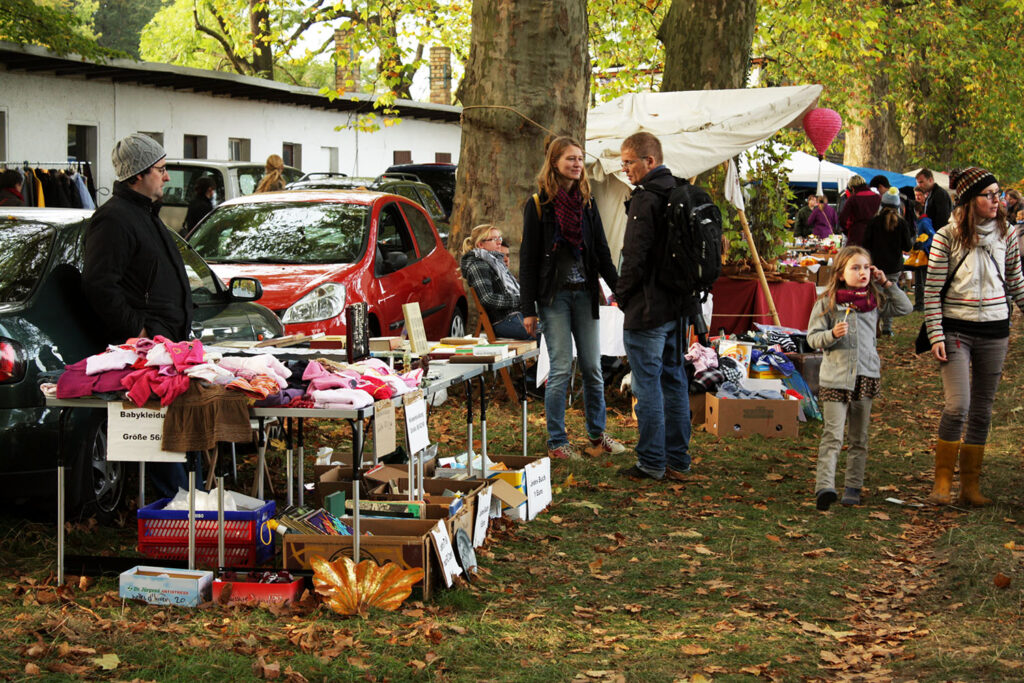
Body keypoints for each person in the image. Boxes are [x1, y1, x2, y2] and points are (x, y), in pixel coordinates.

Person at [82, 133, 195, 497]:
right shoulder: (114, 219)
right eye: (160, 170)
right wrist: (139, 330)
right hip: (147, 353)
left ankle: (186, 513)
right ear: (137, 175)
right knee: (163, 447)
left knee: (176, 440)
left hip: (167, 349)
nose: (166, 177)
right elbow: (100, 285)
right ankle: (174, 522)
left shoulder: (144, 213)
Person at [923, 167, 1024, 506]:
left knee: (982, 411)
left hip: (996, 330)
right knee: (958, 406)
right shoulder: (946, 236)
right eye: (989, 195)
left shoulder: (1007, 234)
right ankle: (942, 481)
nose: (997, 200)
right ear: (969, 200)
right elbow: (932, 290)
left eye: (999, 194)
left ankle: (970, 486)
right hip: (956, 330)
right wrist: (936, 333)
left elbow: (1016, 282)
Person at [520, 135, 623, 460]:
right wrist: (528, 309)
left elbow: (603, 253)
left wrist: (621, 292)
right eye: (570, 158)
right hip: (554, 300)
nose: (578, 163)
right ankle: (557, 443)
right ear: (554, 163)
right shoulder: (538, 204)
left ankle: (596, 436)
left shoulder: (587, 203)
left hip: (585, 297)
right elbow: (528, 259)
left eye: (580, 158)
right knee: (562, 368)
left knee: (593, 367)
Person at [807, 246, 912, 510]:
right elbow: (812, 338)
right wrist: (832, 335)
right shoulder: (828, 303)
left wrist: (886, 282)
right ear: (841, 273)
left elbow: (905, 307)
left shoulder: (874, 301)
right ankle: (825, 487)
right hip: (836, 379)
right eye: (855, 268)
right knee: (833, 435)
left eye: (866, 267)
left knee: (859, 437)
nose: (862, 272)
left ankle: (852, 487)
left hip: (865, 375)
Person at [614, 131, 693, 481]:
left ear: (650, 160)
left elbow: (634, 255)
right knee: (674, 382)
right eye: (623, 163)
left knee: (648, 386)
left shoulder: (646, 198)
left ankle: (651, 463)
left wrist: (622, 295)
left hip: (648, 308)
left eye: (629, 162)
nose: (625, 169)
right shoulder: (679, 190)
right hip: (678, 306)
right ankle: (678, 461)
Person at [460, 224, 532, 340]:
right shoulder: (478, 264)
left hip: (515, 315)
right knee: (547, 335)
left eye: (499, 238)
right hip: (503, 320)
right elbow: (487, 299)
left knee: (552, 328)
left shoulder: (495, 263)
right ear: (480, 245)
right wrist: (519, 300)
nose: (499, 242)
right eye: (494, 239)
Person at [862, 187, 913, 335]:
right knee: (891, 295)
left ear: (882, 205)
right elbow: (907, 246)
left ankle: (873, 326)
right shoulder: (902, 224)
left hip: (876, 266)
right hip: (894, 267)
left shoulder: (874, 222)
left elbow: (865, 244)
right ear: (898, 207)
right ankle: (887, 328)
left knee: (876, 297)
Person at [911, 188, 936, 311]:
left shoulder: (924, 222)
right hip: (920, 253)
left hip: (924, 254)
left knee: (923, 279)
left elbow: (932, 235)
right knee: (920, 279)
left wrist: (923, 244)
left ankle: (923, 303)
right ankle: (920, 302)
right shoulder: (920, 222)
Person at [838, 175, 880, 246]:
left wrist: (848, 231)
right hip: (874, 236)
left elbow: (842, 219)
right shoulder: (877, 197)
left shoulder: (853, 199)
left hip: (856, 235)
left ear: (852, 188)